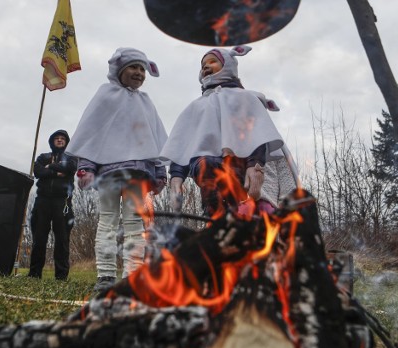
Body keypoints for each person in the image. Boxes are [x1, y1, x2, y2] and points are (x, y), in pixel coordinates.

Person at [66, 47, 168, 293]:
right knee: (107, 222)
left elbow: (154, 136)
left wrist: (159, 171)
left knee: (135, 223)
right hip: (109, 173)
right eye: (133, 67)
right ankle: (105, 275)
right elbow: (92, 131)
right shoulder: (105, 96)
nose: (139, 73)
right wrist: (86, 167)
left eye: (142, 69)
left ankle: (131, 275)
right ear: (120, 70)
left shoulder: (146, 103)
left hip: (138, 173)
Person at [160, 45, 284, 218]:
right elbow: (184, 142)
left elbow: (254, 135)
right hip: (204, 165)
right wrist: (176, 176)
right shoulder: (197, 106)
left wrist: (254, 166)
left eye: (213, 61)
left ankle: (235, 224)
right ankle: (214, 218)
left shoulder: (244, 98)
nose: (206, 66)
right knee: (206, 166)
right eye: (203, 64)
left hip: (236, 164)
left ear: (228, 65)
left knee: (236, 201)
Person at [27, 130, 77, 280]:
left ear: (66, 142)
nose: (60, 140)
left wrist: (50, 167)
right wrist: (56, 171)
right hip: (42, 201)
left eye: (63, 139)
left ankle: (61, 276)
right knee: (39, 239)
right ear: (52, 141)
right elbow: (37, 171)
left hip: (62, 202)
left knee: (62, 240)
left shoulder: (71, 158)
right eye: (57, 138)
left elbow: (70, 169)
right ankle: (34, 274)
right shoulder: (43, 157)